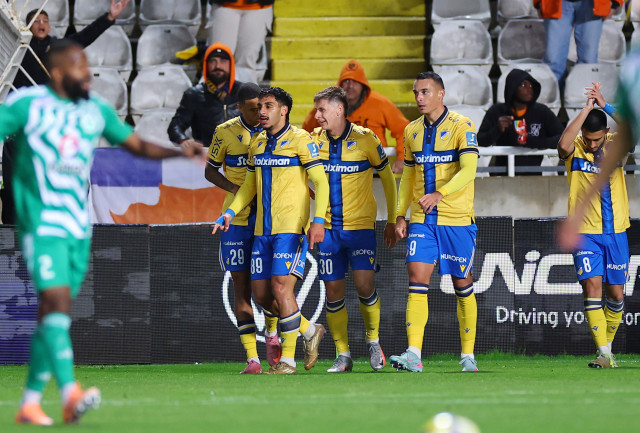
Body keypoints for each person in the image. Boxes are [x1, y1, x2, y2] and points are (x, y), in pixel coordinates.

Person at [2, 39, 205, 426]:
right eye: (79, 67)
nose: (88, 74)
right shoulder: (28, 105)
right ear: (58, 73)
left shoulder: (95, 110)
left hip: (77, 227)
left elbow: (135, 144)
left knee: (54, 313)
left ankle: (30, 403)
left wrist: (181, 152)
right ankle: (70, 393)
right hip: (42, 224)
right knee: (57, 302)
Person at [213, 87, 330, 374]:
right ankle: (309, 330)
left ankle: (287, 361)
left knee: (281, 286)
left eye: (268, 106)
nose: (262, 112)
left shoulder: (301, 140)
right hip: (262, 231)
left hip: (290, 228)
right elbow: (248, 187)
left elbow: (321, 182)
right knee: (263, 296)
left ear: (283, 110)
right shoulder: (258, 143)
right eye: (260, 106)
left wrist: (318, 221)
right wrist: (230, 212)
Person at [2, 0, 132, 225]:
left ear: (50, 26)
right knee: (15, 187)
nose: (41, 24)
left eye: (45, 20)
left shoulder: (59, 48)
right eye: (35, 21)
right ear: (27, 27)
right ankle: (11, 234)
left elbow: (84, 37)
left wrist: (109, 17)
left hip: (50, 128)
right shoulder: (17, 49)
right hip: (21, 130)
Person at [389, 72, 480, 373]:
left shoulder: (462, 126)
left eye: (425, 92)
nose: (419, 98)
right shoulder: (411, 130)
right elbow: (408, 176)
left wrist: (441, 193)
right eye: (416, 92)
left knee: (462, 285)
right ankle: (413, 354)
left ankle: (468, 355)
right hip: (422, 220)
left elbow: (469, 170)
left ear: (441, 93)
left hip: (456, 219)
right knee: (416, 280)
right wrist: (399, 214)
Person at [310, 86, 398, 373]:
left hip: (360, 228)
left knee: (364, 285)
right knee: (333, 292)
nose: (317, 115)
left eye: (322, 109)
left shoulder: (366, 139)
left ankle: (373, 341)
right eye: (316, 109)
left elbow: (387, 178)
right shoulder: (313, 140)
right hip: (328, 231)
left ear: (339, 109)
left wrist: (392, 219)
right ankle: (343, 354)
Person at [205, 82, 281, 374]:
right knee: (242, 288)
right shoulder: (224, 132)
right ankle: (252, 358)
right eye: (253, 109)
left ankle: (272, 333)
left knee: (269, 283)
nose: (260, 113)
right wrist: (234, 188)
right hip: (235, 220)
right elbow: (210, 170)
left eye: (262, 107)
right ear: (238, 108)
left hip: (267, 218)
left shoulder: (273, 131)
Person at [557, 87, 628, 368]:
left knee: (616, 295)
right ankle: (603, 352)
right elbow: (562, 144)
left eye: (597, 139)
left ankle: (607, 351)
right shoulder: (575, 147)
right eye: (587, 138)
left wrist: (605, 105)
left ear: (606, 132)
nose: (592, 144)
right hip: (585, 233)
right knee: (592, 287)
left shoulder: (616, 145)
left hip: (616, 231)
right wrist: (586, 109)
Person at [301, 60, 409, 174]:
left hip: (374, 171)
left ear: (363, 85)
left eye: (356, 82)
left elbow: (403, 129)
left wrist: (402, 158)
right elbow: (306, 133)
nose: (350, 86)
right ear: (340, 85)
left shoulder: (380, 103)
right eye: (346, 81)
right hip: (335, 170)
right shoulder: (327, 104)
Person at [477, 68, 564, 175]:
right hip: (502, 175)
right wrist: (497, 130)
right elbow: (480, 140)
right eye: (523, 85)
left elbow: (562, 138)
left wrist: (533, 142)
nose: (529, 89)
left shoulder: (542, 111)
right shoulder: (497, 111)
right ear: (512, 87)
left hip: (533, 176)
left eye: (531, 85)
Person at [168, 43, 242, 148]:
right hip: (206, 154)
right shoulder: (194, 95)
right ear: (206, 65)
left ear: (231, 65)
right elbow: (175, 126)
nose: (218, 66)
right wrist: (183, 140)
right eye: (213, 61)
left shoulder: (245, 93)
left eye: (223, 61)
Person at [534, 0, 623, 84]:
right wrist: (538, 2)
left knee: (588, 60)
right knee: (553, 60)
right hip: (555, 3)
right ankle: (553, 92)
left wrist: (615, 2)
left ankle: (584, 93)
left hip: (592, 4)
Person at [207, 0, 273, 83]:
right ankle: (214, 90)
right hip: (223, 5)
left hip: (259, 7)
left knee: (247, 63)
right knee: (218, 60)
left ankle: (245, 90)